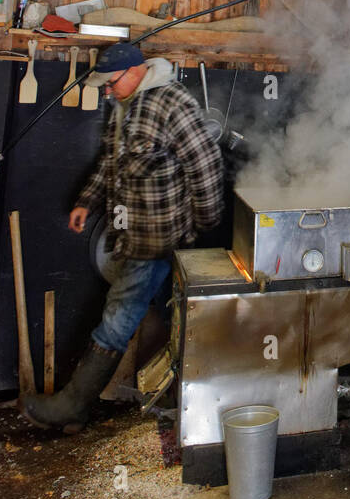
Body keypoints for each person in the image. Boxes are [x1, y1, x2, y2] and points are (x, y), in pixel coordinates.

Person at [22, 42, 224, 432]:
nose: (107, 91)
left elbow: (206, 164)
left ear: (135, 71)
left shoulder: (172, 104)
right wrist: (86, 200)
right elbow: (111, 163)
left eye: (111, 83)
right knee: (176, 314)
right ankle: (191, 395)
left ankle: (72, 406)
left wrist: (204, 224)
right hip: (128, 233)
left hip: (158, 237)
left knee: (119, 317)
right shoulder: (124, 105)